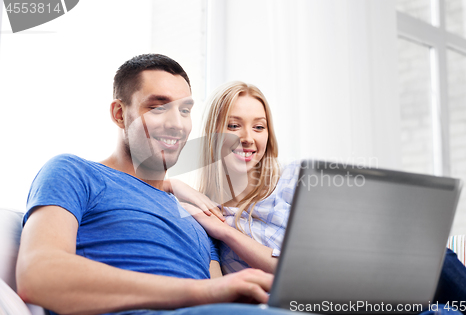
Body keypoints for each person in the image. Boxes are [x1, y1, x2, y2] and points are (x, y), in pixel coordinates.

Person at [183, 81, 466, 315]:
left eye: (259, 127)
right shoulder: (208, 215)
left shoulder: (292, 177)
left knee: (432, 253)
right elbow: (285, 273)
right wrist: (179, 189)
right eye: (234, 125)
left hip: (362, 284)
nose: (248, 138)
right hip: (320, 304)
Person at [16, 54, 297, 315]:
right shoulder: (74, 172)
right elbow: (38, 275)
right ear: (118, 114)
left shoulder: (197, 217)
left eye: (185, 110)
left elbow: (218, 294)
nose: (177, 123)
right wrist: (203, 292)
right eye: (158, 107)